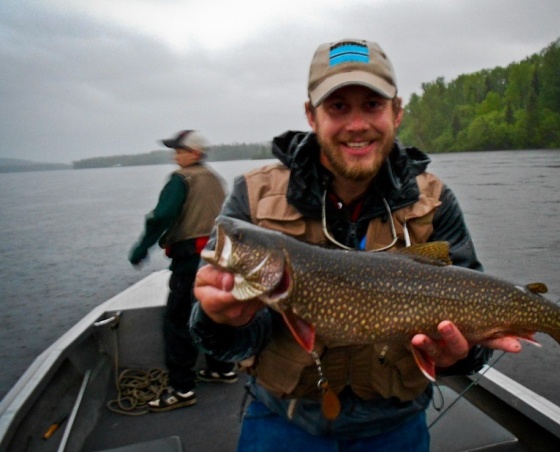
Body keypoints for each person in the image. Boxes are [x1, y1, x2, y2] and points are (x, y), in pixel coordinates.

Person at [190, 39, 522, 449]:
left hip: (395, 429)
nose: (357, 124)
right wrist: (224, 320)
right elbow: (223, 343)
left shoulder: (435, 202)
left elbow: (473, 332)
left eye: (372, 105)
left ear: (396, 112)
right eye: (338, 107)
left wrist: (461, 355)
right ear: (311, 116)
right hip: (282, 422)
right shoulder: (252, 197)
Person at [128, 129, 238, 412]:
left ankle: (182, 388)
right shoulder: (215, 179)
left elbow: (162, 216)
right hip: (218, 261)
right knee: (214, 315)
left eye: (180, 150)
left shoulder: (180, 180)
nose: (175, 156)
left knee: (178, 323)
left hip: (190, 264)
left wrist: (141, 249)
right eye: (175, 150)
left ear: (195, 153)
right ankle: (223, 368)